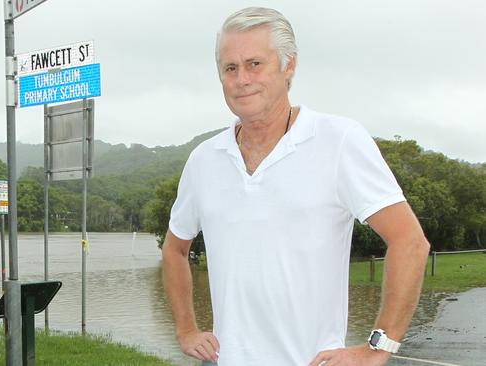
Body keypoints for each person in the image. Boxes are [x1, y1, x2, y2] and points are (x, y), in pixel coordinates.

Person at [162, 7, 430, 366]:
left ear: (288, 66)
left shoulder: (339, 141)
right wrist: (186, 330)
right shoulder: (203, 160)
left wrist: (377, 348)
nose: (241, 79)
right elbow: (174, 249)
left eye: (255, 63)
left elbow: (410, 242)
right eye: (230, 67)